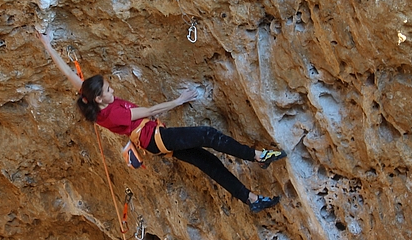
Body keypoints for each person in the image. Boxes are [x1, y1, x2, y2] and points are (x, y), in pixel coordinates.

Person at [34, 26, 284, 213]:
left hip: (153, 139)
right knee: (208, 135)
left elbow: (68, 73)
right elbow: (150, 110)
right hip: (153, 138)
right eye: (108, 91)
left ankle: (251, 200)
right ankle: (258, 157)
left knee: (208, 162)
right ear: (99, 99)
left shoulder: (90, 98)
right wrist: (179, 100)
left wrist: (47, 45)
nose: (112, 91)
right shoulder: (113, 113)